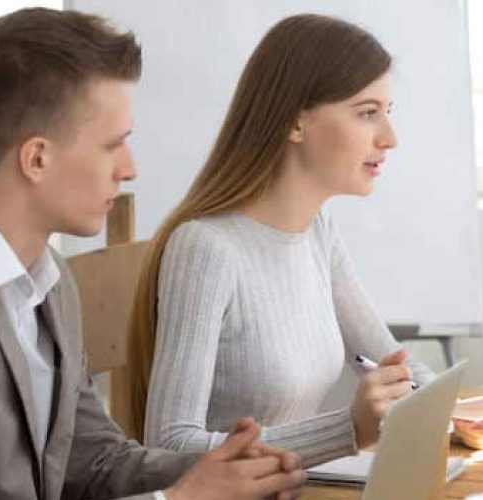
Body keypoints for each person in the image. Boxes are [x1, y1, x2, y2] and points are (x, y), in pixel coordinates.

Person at [0, 8, 304, 500]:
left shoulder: (49, 280)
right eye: (114, 145)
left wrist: (224, 472)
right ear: (37, 158)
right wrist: (183, 499)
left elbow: (94, 460)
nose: (129, 170)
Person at [131, 13, 433, 468]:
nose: (390, 138)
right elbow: (168, 445)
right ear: (295, 123)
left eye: (387, 113)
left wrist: (458, 407)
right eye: (367, 113)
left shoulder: (317, 231)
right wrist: (346, 430)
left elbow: (393, 363)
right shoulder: (206, 249)